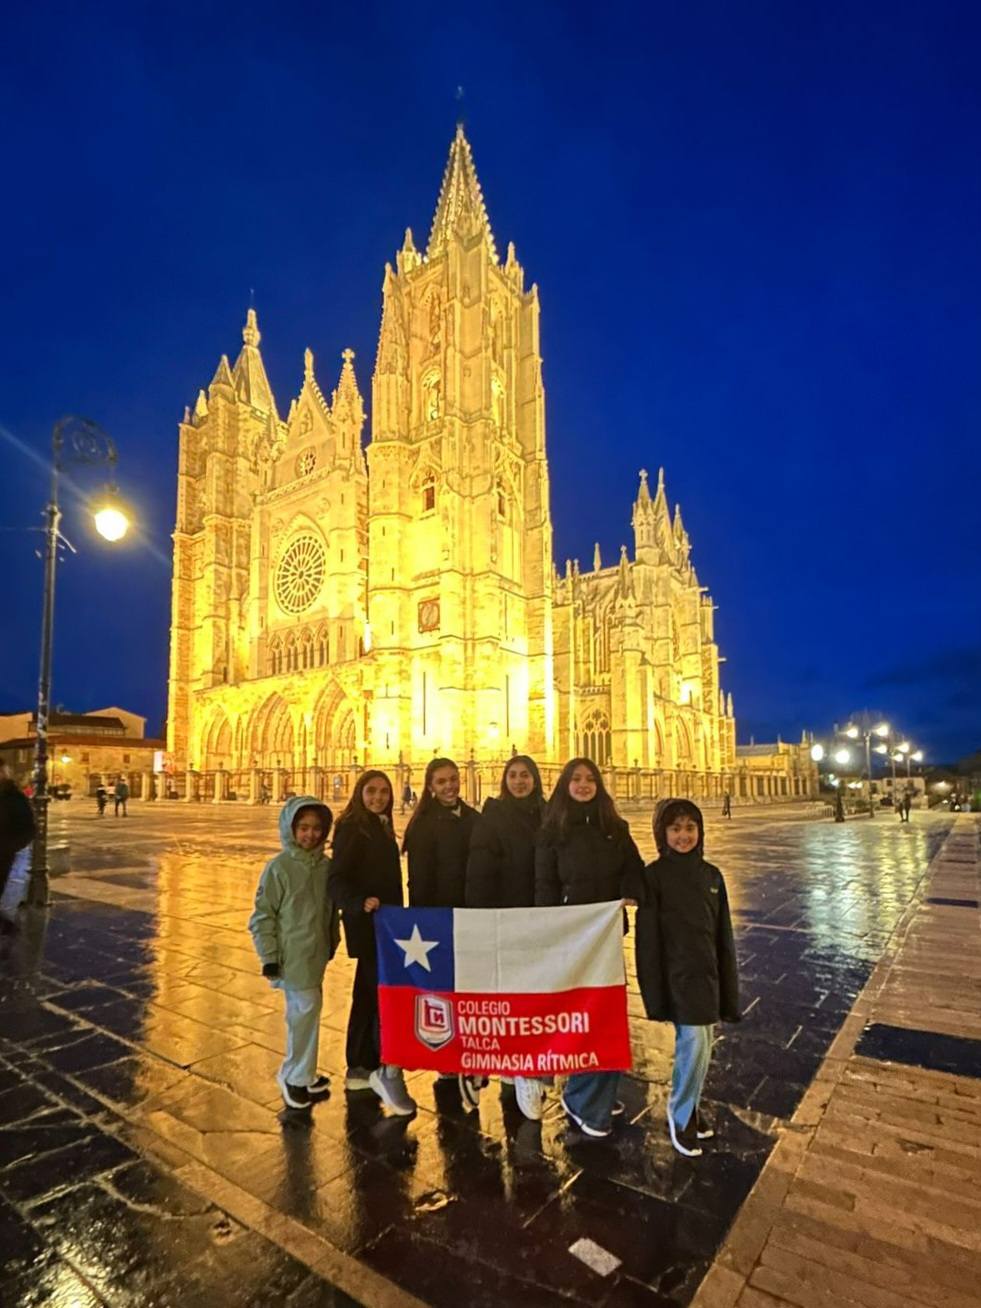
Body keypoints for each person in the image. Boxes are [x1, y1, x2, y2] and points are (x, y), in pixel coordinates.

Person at [535, 757, 643, 1138]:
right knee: (582, 1014)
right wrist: (549, 929)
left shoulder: (614, 828)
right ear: (565, 785)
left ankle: (593, 1091)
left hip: (606, 934)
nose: (583, 785)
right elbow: (545, 885)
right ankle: (584, 1096)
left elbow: (633, 868)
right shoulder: (552, 830)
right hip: (572, 937)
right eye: (576, 779)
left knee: (607, 1013)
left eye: (590, 779)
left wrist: (630, 891)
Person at [635, 798, 740, 1157]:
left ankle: (691, 1106)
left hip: (707, 974)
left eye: (690, 828)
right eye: (675, 828)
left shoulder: (712, 876)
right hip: (677, 976)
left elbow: (723, 934)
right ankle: (680, 1115)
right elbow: (647, 941)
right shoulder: (654, 876)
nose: (683, 835)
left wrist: (728, 985)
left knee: (703, 1045)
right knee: (693, 1043)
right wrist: (654, 990)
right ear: (662, 833)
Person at [327, 770, 416, 1116]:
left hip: (384, 922)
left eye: (383, 792)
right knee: (371, 993)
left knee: (369, 992)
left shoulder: (378, 824)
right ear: (359, 793)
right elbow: (337, 879)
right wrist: (358, 901)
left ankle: (363, 1064)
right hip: (369, 923)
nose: (378, 797)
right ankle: (366, 1066)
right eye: (371, 791)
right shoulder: (352, 827)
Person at [464, 754, 546, 1118]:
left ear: (536, 779)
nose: (519, 781)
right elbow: (479, 872)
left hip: (539, 919)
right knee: (506, 998)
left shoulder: (548, 814)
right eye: (513, 775)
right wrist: (483, 920)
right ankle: (499, 1066)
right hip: (505, 919)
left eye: (525, 775)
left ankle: (525, 1068)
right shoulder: (493, 817)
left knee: (534, 1000)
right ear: (504, 780)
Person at [249, 795, 340, 1110]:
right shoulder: (280, 867)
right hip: (292, 955)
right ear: (291, 828)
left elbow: (330, 910)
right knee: (304, 1012)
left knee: (308, 1012)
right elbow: (262, 916)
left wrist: (332, 941)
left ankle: (303, 1072)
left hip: (316, 954)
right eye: (303, 828)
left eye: (316, 828)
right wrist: (269, 957)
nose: (310, 834)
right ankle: (294, 1078)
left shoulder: (325, 867)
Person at [402, 758, 478, 908]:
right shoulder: (422, 824)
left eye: (453, 779)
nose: (449, 786)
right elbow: (419, 879)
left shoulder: (474, 818)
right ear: (431, 787)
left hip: (471, 906)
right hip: (439, 908)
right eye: (441, 782)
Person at [0, 764, 35, 932]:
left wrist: (10, 847)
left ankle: (5, 920)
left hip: (5, 853)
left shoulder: (14, 797)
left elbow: (28, 828)